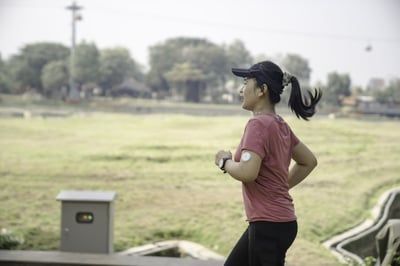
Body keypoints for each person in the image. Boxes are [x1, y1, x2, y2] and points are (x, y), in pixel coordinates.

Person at [214, 61, 322, 266]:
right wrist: (278, 187)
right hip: (281, 223)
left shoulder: (258, 124)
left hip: (268, 226)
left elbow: (247, 172)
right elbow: (309, 161)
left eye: (246, 83)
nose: (241, 89)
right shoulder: (280, 125)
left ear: (262, 90)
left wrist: (224, 161)